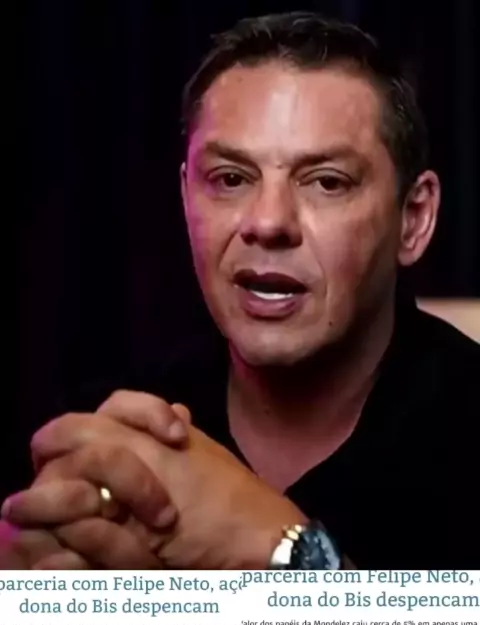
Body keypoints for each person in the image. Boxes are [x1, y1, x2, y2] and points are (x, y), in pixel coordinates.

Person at [2, 11, 480, 571]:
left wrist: (282, 548)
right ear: (185, 196)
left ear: (413, 219)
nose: (268, 222)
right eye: (231, 179)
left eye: (326, 182)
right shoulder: (103, 433)